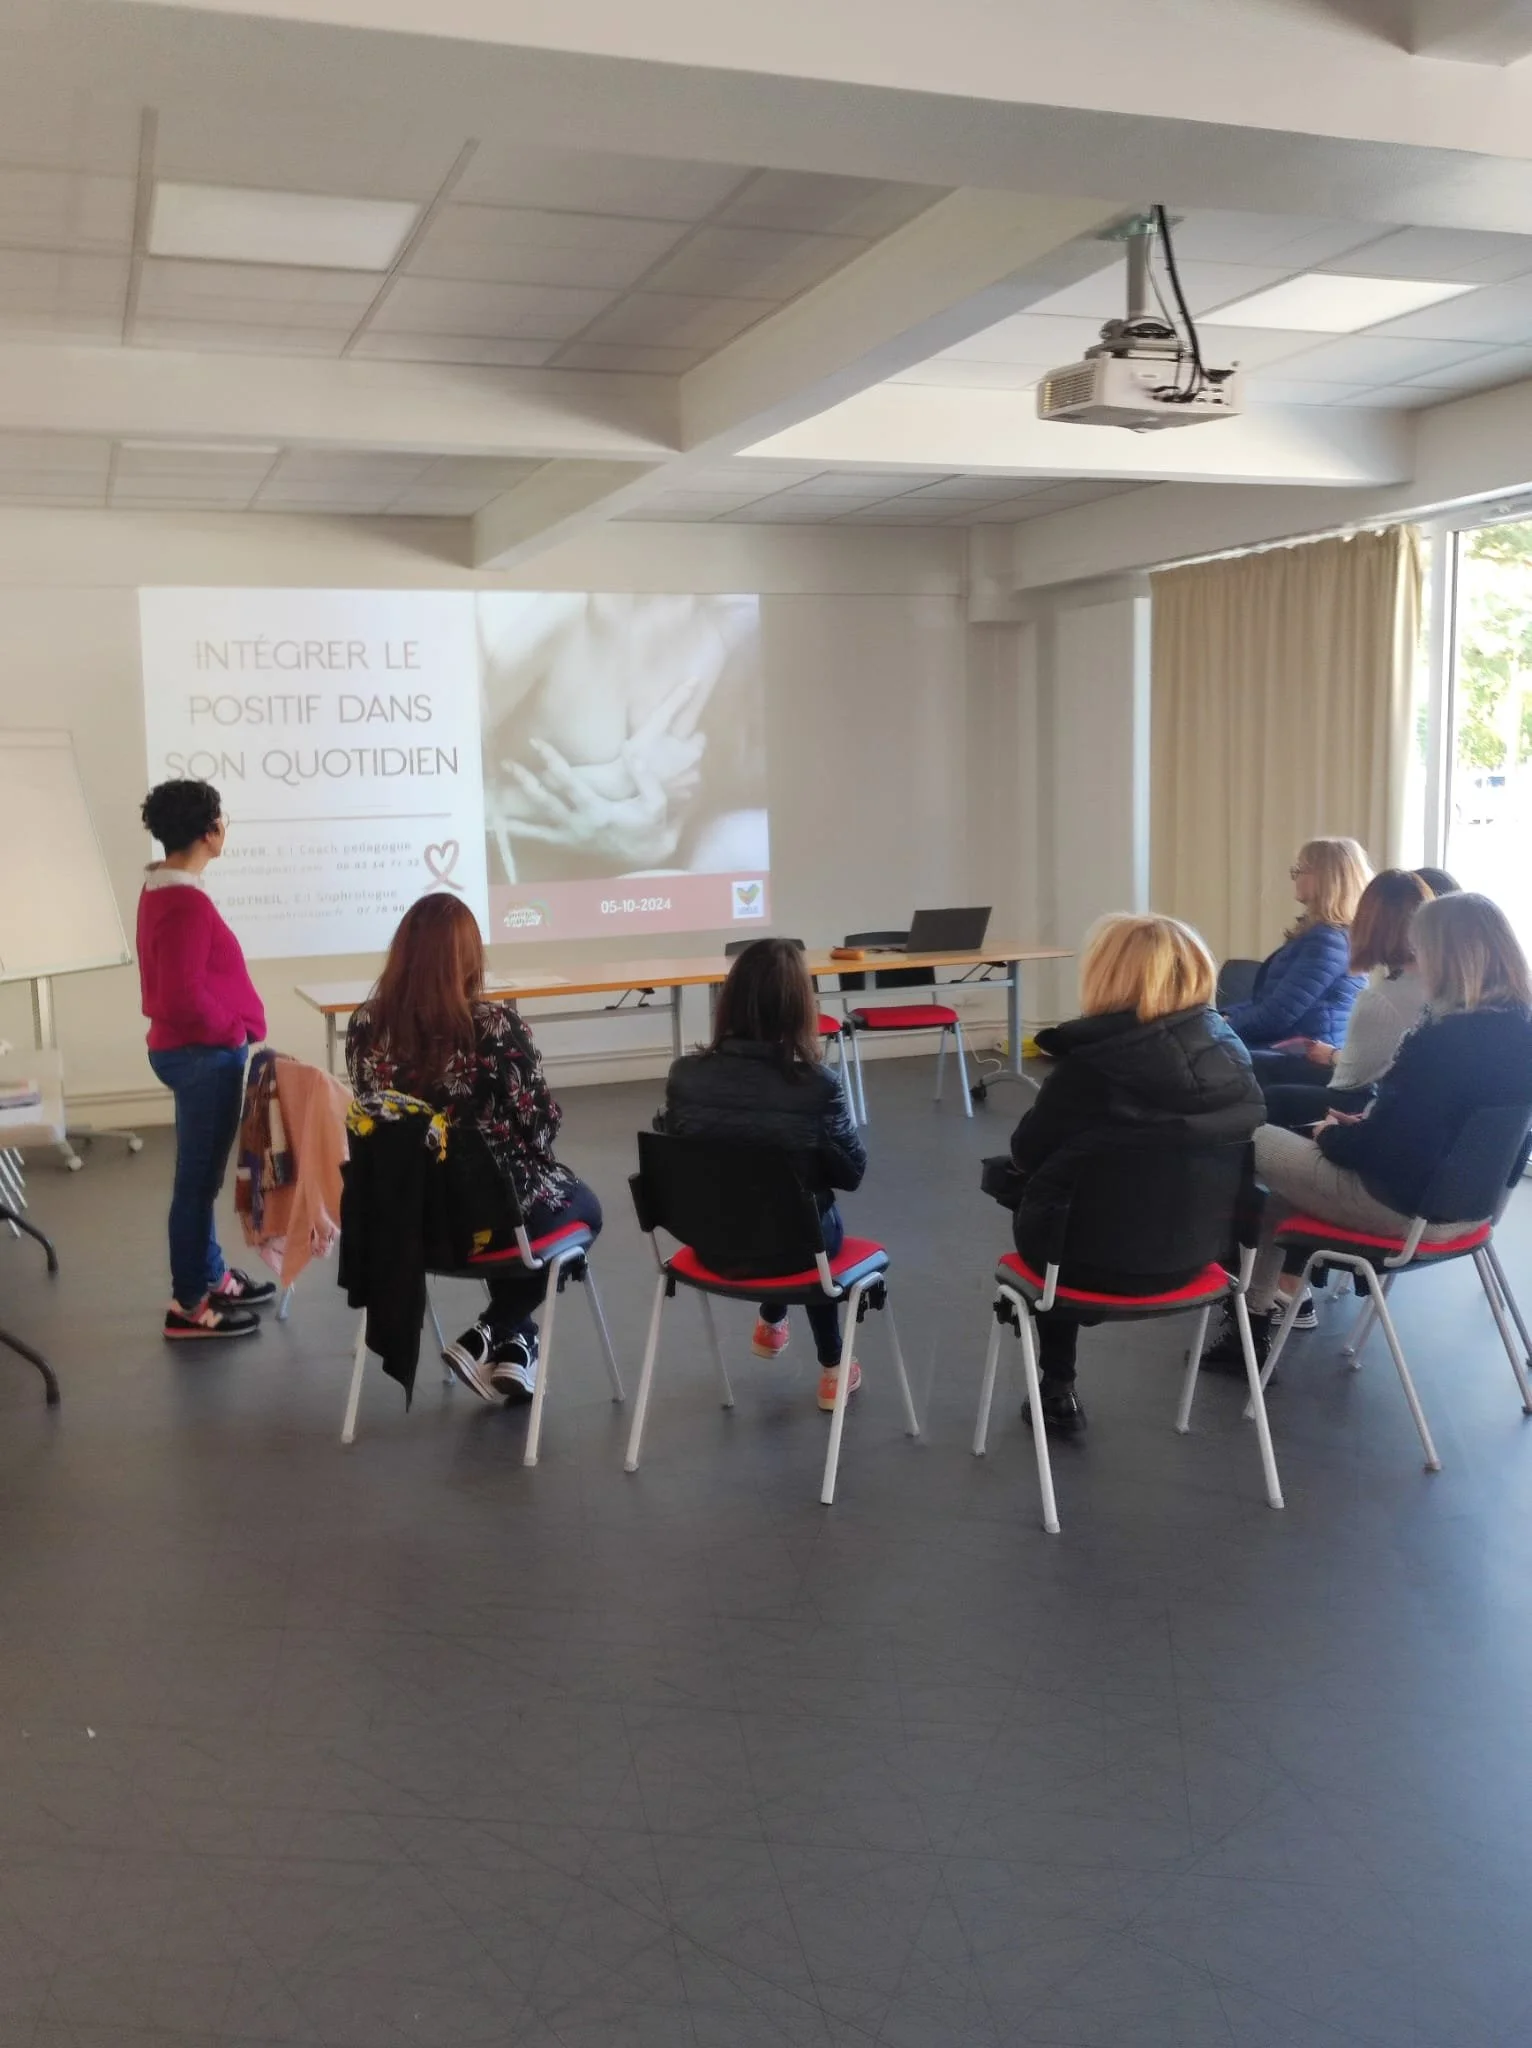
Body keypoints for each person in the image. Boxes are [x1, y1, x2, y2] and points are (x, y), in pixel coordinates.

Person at [1204, 891, 1532, 1368]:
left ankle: (1227, 1285)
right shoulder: (1520, 1030)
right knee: (1288, 1186)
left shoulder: (1440, 1041)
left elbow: (1381, 1153)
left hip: (1397, 1206)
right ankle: (1252, 1321)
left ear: (1445, 954)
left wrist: (1329, 1135)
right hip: (1470, 1214)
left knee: (1249, 1132)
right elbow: (1445, 1129)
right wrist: (1364, 1127)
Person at [1002, 914, 1264, 1437]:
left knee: (1041, 1192)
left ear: (1106, 976)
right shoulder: (1231, 1054)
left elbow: (1028, 1151)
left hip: (1085, 1267)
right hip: (1197, 1261)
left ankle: (1057, 1386)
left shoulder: (1087, 1068)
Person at [345, 893, 600, 1404]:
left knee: (503, 1202)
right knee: (584, 1208)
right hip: (491, 1225)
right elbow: (542, 1127)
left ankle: (515, 1346)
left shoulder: (365, 1028)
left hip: (412, 1225)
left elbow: (381, 1120)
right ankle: (493, 1327)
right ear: (469, 959)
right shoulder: (496, 1028)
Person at [662, 937, 867, 1412]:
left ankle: (774, 1320)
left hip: (712, 1243)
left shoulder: (685, 1076)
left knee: (784, 1209)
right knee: (809, 1217)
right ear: (800, 1006)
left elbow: (679, 1147)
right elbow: (852, 1173)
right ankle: (833, 1368)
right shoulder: (817, 1086)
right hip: (795, 1250)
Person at [138, 779, 274, 1340]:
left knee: (200, 1180)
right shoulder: (185, 902)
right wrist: (231, 1031)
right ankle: (189, 1304)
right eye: (221, 818)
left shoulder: (163, 890)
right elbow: (182, 996)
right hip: (202, 1057)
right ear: (209, 830)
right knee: (196, 1185)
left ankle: (210, 1275)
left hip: (191, 1052)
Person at [1260, 868, 1433, 1130]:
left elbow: (1348, 1081)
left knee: (1269, 1097)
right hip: (1416, 1111)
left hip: (1378, 1117)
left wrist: (1332, 1057)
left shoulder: (1381, 1000)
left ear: (1369, 924)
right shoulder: (1441, 984)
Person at [1223, 837, 1372, 1054]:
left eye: (1300, 870)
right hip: (1289, 1047)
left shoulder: (1328, 941)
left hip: (1304, 1056)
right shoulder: (1324, 935)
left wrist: (1222, 1026)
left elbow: (1277, 1014)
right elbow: (1266, 1002)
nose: (1295, 878)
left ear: (1326, 879)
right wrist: (1219, 1018)